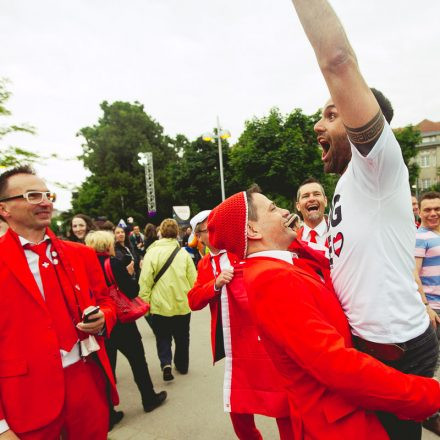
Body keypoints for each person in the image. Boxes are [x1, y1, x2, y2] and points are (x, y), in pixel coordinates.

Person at [291, 1, 438, 438]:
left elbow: (337, 60)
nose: (318, 124)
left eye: (332, 113)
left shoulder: (377, 163)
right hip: (367, 347)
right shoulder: (349, 182)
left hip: (394, 351)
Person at [207, 188, 440, 440]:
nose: (285, 211)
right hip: (340, 423)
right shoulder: (271, 278)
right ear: (253, 230)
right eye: (273, 208)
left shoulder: (278, 267)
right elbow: (337, 365)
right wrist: (427, 394)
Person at [0, 166, 118, 439]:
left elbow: (106, 300)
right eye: (32, 195)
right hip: (26, 399)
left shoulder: (81, 254)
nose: (45, 201)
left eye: (47, 194)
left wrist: (104, 318)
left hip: (87, 382)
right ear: (5, 209)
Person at [188, 210, 293, 439]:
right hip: (231, 342)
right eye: (208, 229)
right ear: (200, 236)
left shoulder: (239, 252)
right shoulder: (205, 264)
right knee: (237, 403)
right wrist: (214, 285)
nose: (215, 233)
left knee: (279, 398)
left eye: (216, 227)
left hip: (262, 336)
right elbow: (193, 300)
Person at [85, 231, 167, 429]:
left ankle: (109, 414)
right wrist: (130, 274)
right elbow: (132, 291)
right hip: (122, 321)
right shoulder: (112, 263)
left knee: (107, 369)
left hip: (100, 323)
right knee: (138, 361)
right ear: (107, 245)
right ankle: (149, 398)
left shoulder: (85, 266)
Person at [139, 219, 197, 381]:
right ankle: (182, 364)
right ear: (177, 233)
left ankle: (166, 363)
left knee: (163, 337)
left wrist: (145, 304)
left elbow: (145, 280)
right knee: (182, 336)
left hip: (159, 305)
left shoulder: (152, 253)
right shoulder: (183, 254)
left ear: (161, 233)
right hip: (181, 304)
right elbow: (194, 280)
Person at [295, 177, 328, 252]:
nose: (311, 199)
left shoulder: (340, 234)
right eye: (306, 196)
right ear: (298, 206)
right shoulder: (292, 241)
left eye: (316, 194)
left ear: (325, 201)